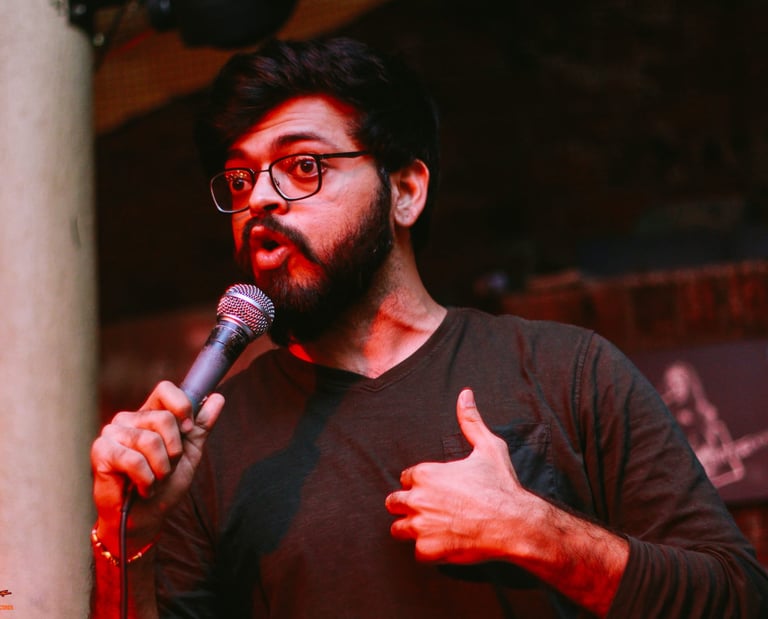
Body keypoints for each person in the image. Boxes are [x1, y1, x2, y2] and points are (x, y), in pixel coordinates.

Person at [89, 37, 768, 618]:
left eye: (302, 166)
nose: (260, 197)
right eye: (239, 180)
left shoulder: (567, 370)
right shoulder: (211, 447)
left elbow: (740, 597)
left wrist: (541, 533)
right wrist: (131, 541)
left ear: (407, 190)